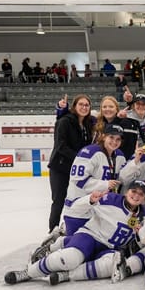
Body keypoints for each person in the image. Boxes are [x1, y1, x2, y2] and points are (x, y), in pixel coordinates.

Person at [4, 181, 145, 286]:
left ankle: (66, 275)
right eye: (133, 191)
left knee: (110, 265)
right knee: (70, 258)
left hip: (109, 248)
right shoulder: (110, 199)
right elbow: (75, 209)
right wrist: (90, 200)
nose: (136, 196)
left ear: (144, 199)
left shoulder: (144, 216)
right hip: (90, 237)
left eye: (141, 194)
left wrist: (140, 233)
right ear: (126, 192)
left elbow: (144, 240)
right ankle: (28, 273)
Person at [47, 94, 94, 233]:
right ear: (74, 106)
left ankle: (74, 229)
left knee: (78, 200)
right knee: (59, 200)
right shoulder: (64, 121)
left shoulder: (88, 124)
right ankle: (53, 230)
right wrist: (80, 158)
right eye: (81, 104)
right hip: (60, 168)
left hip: (77, 170)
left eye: (87, 105)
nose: (84, 107)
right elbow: (61, 146)